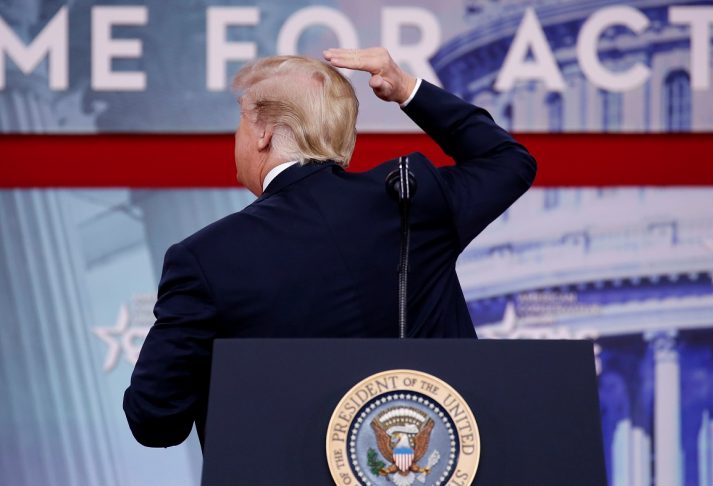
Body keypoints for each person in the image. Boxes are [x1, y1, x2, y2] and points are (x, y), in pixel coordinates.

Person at [123, 47, 536, 448]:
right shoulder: (414, 199)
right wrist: (407, 88)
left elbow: (155, 418)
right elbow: (507, 160)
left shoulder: (205, 258)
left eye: (240, 124)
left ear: (263, 132)